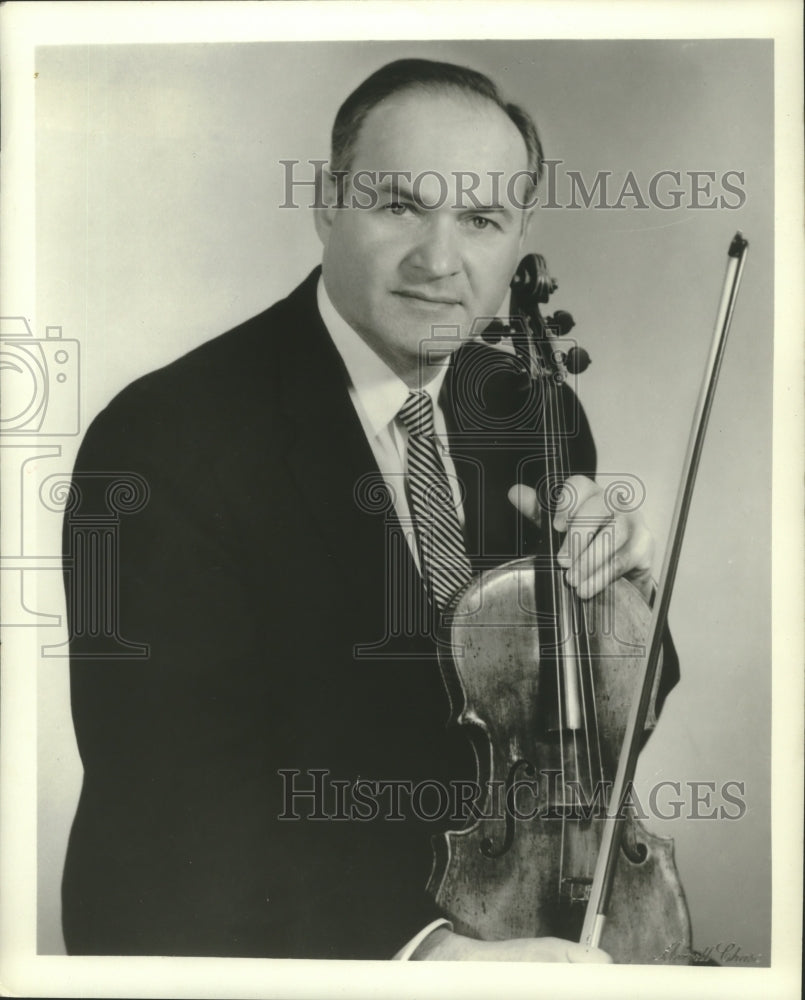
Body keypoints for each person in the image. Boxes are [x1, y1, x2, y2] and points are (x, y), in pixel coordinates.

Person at [61, 58, 676, 961]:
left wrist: (619, 595)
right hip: (266, 946)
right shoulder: (163, 440)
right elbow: (171, 796)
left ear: (520, 236)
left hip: (515, 918)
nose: (439, 261)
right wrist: (429, 954)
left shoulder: (536, 414)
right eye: (398, 206)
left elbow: (595, 726)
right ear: (326, 202)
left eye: (479, 219)